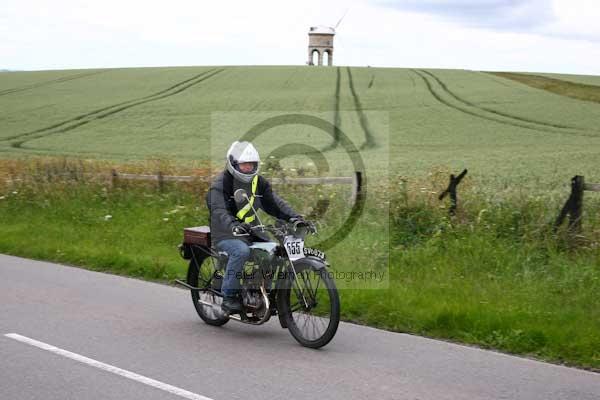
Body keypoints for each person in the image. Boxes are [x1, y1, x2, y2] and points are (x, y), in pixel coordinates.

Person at [206, 141, 303, 313]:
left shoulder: (258, 183)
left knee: (274, 252)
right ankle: (228, 297)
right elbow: (219, 211)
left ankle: (259, 291)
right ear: (233, 164)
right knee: (241, 251)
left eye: (251, 164)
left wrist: (295, 218)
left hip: (251, 231)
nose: (248, 168)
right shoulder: (220, 185)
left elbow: (275, 203)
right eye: (244, 164)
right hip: (225, 234)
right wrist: (234, 225)